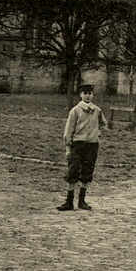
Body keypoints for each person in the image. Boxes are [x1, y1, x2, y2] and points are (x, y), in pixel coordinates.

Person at [57, 83, 107, 212]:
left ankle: (81, 201)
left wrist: (98, 133)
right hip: (77, 145)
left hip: (92, 145)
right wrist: (68, 148)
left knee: (87, 171)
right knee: (73, 171)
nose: (88, 96)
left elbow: (103, 124)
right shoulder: (75, 110)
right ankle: (69, 202)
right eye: (85, 93)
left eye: (90, 93)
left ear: (93, 95)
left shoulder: (97, 110)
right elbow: (68, 131)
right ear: (80, 95)